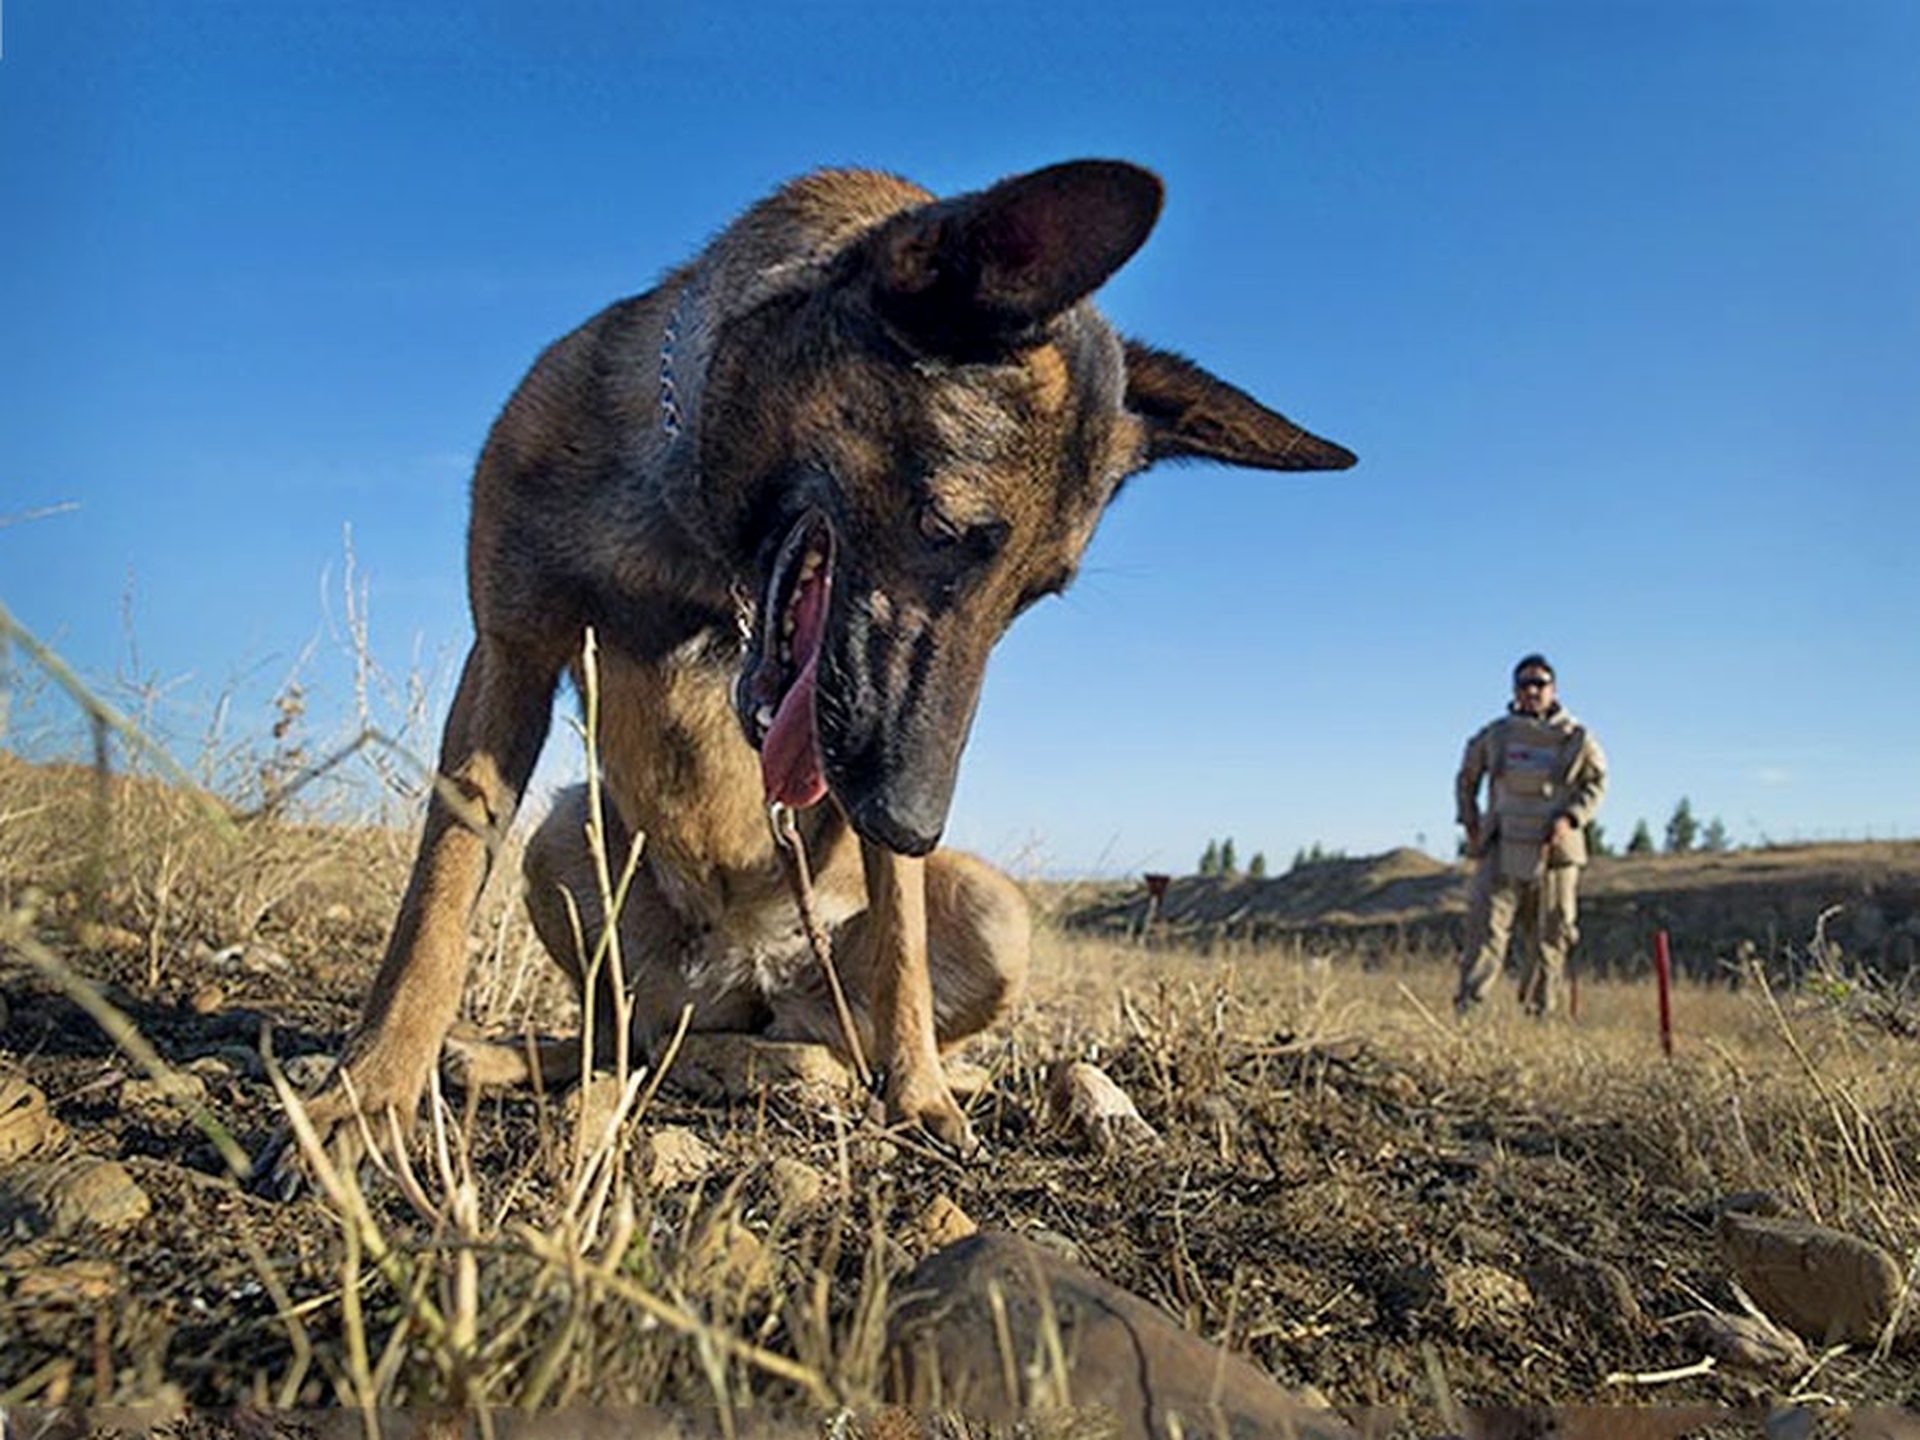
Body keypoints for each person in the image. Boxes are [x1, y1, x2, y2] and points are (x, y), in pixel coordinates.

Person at [1453, 654, 1607, 1018]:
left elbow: (1597, 782)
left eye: (1540, 683)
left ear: (1554, 689)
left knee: (1551, 937)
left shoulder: (1577, 737)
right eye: (1525, 684)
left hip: (1554, 852)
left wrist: (1571, 818)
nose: (1533, 690)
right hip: (1502, 845)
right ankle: (1468, 1016)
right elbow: (1466, 777)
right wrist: (1470, 823)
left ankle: (1541, 1016)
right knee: (1485, 932)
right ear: (1514, 690)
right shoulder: (1496, 735)